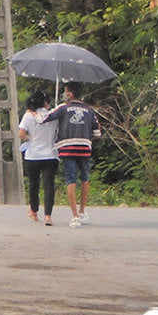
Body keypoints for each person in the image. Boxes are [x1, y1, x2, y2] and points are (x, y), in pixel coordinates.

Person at [42, 81, 99, 228]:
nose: (63, 93)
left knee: (71, 179)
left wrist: (35, 112)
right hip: (85, 148)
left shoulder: (63, 108)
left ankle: (74, 217)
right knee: (85, 179)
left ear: (70, 93)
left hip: (67, 148)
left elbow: (45, 119)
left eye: (65, 91)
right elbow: (97, 132)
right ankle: (82, 211)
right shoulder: (89, 110)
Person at [17, 87, 59, 225]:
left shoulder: (28, 115)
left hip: (33, 156)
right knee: (49, 185)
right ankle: (48, 216)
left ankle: (34, 212)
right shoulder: (53, 115)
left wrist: (31, 139)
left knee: (34, 184)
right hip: (50, 155)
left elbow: (21, 134)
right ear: (46, 103)